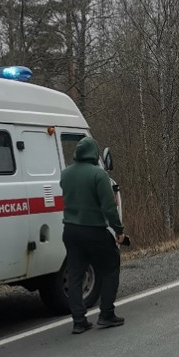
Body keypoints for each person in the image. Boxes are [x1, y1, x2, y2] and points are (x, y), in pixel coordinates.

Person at [60, 136, 125, 334]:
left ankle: (79, 321)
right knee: (110, 266)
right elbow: (108, 207)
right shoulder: (98, 175)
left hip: (70, 231)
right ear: (94, 153)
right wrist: (119, 230)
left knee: (76, 275)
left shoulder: (65, 174)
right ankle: (106, 315)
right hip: (94, 230)